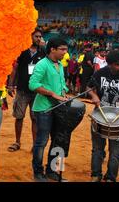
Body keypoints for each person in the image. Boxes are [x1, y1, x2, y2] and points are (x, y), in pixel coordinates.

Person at [87, 50, 119, 182]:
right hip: (101, 117)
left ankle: (110, 178)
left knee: (115, 154)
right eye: (118, 65)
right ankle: (95, 175)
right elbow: (89, 87)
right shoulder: (100, 73)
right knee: (97, 149)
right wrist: (94, 96)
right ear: (110, 64)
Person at [29, 37, 69, 182]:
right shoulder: (42, 64)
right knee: (42, 141)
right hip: (44, 109)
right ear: (52, 49)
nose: (65, 52)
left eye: (66, 49)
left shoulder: (60, 65)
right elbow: (33, 84)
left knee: (57, 140)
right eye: (62, 49)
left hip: (59, 108)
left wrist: (63, 92)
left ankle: (52, 171)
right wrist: (52, 94)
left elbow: (62, 84)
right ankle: (38, 172)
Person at [7, 29, 45, 152]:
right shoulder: (22, 51)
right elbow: (15, 69)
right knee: (19, 117)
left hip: (37, 91)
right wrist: (10, 85)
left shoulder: (43, 53)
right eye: (36, 36)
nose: (38, 39)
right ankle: (17, 142)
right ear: (30, 37)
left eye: (40, 37)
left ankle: (35, 145)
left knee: (35, 118)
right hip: (22, 89)